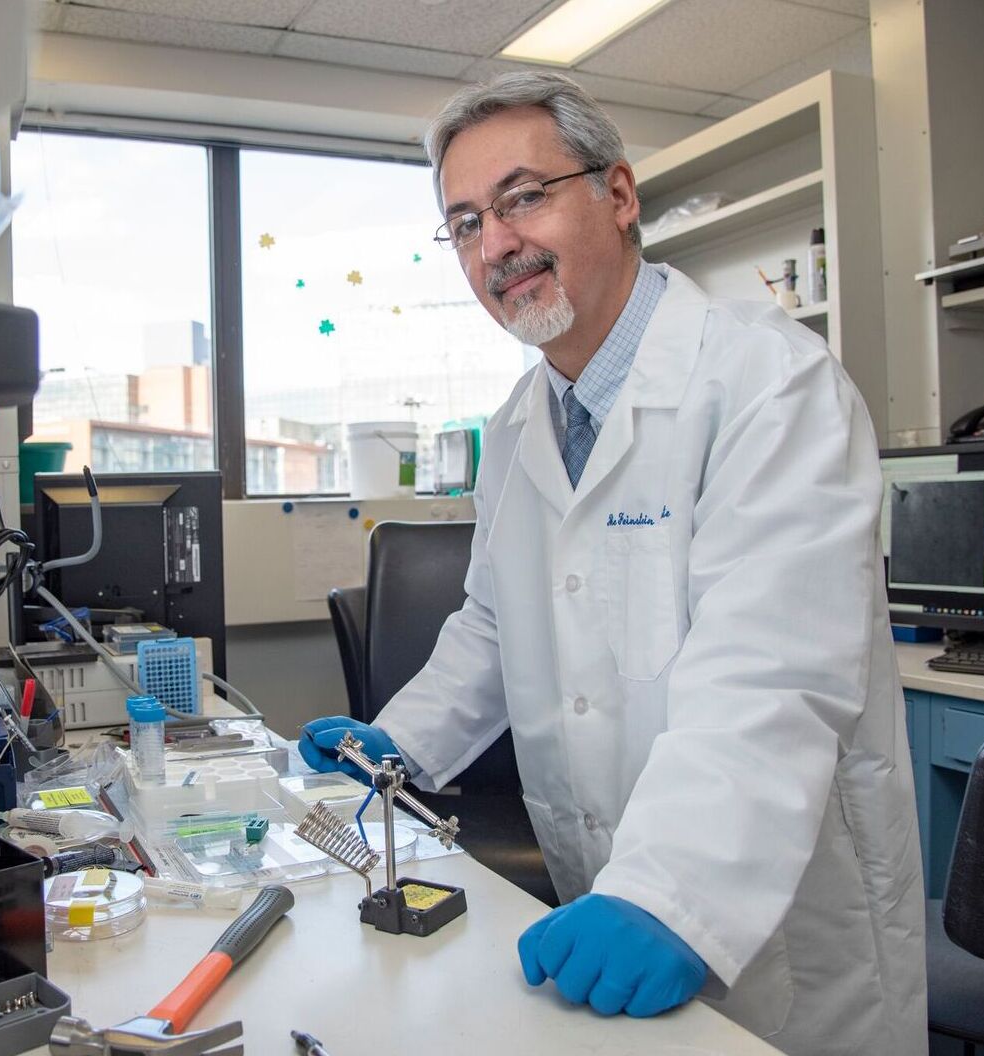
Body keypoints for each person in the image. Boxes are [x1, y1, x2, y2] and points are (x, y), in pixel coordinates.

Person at [299, 72, 926, 1055]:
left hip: (761, 911)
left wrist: (671, 895)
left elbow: (770, 668)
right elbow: (496, 623)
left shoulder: (767, 385)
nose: (494, 243)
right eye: (463, 222)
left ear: (619, 196)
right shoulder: (516, 428)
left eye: (522, 197)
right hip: (606, 886)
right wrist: (397, 747)